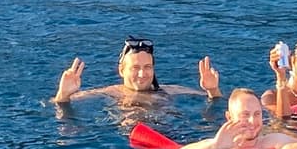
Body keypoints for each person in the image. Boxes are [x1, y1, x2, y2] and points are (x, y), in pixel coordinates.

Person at [53, 37, 220, 104]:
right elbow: (56, 105)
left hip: (169, 133)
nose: (142, 74)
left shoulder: (169, 91)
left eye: (147, 67)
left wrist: (213, 90)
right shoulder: (110, 93)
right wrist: (63, 94)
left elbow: (217, 101)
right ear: (121, 70)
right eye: (135, 68)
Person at [174, 89, 297, 149]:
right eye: (245, 114)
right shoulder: (220, 145)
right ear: (229, 117)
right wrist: (215, 145)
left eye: (257, 114)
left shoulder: (271, 141)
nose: (252, 120)